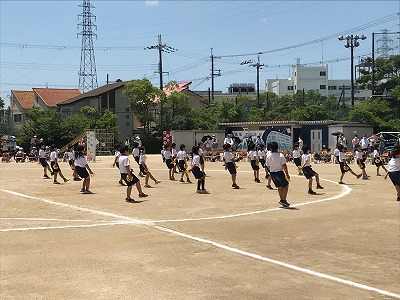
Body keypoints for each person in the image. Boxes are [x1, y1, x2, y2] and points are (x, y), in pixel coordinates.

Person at [266, 141, 290, 207]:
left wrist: (271, 169)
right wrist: (287, 174)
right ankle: (283, 199)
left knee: (279, 186)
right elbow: (284, 165)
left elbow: (267, 165)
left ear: (270, 148)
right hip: (279, 172)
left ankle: (282, 199)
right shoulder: (280, 155)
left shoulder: (268, 156)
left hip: (272, 173)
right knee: (286, 185)